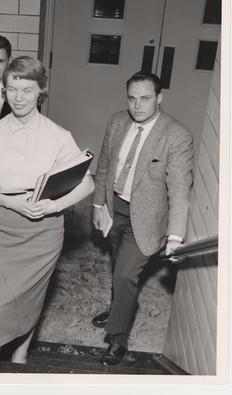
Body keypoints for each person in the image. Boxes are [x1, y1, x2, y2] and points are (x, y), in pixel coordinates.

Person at [0, 56, 95, 368]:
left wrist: (55, 205)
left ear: (41, 92)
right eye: (12, 90)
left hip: (43, 231)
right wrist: (10, 202)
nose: (18, 98)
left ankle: (22, 350)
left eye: (27, 90)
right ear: (4, 91)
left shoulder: (58, 135)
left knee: (31, 297)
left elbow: (87, 184)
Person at [91, 71, 194, 366]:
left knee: (125, 274)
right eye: (132, 99)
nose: (137, 106)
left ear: (159, 98)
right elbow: (104, 166)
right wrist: (99, 205)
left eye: (146, 99)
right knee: (117, 268)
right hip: (114, 210)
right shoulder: (117, 121)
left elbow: (179, 190)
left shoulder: (177, 135)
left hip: (147, 220)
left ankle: (117, 339)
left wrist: (175, 237)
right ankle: (117, 308)